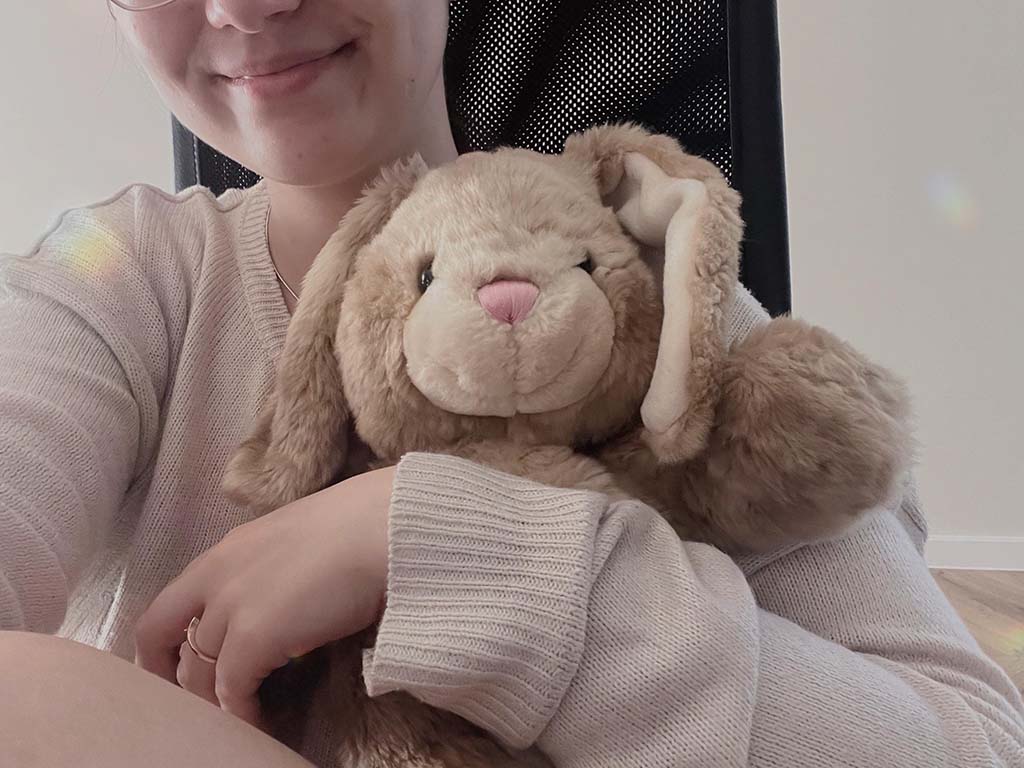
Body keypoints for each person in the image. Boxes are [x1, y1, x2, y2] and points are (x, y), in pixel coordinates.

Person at [0, 1, 1021, 766]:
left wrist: (464, 551)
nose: (245, 6)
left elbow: (967, 745)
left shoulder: (664, 317)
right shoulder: (110, 281)